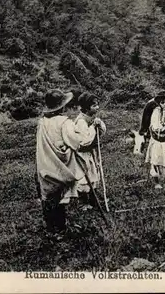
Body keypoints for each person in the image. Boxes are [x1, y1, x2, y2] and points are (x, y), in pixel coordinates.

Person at [35, 89, 85, 237]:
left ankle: (52, 228)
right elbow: (75, 141)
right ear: (62, 106)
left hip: (45, 163)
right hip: (60, 165)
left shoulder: (42, 122)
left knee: (49, 196)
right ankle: (61, 228)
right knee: (60, 195)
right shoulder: (65, 122)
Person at [74, 92, 107, 210]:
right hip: (82, 153)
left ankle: (94, 199)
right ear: (87, 108)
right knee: (84, 175)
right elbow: (85, 140)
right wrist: (93, 127)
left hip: (90, 152)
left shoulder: (91, 118)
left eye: (97, 105)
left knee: (93, 172)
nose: (97, 107)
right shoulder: (81, 121)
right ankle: (83, 202)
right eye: (94, 105)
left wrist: (98, 125)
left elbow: (101, 132)